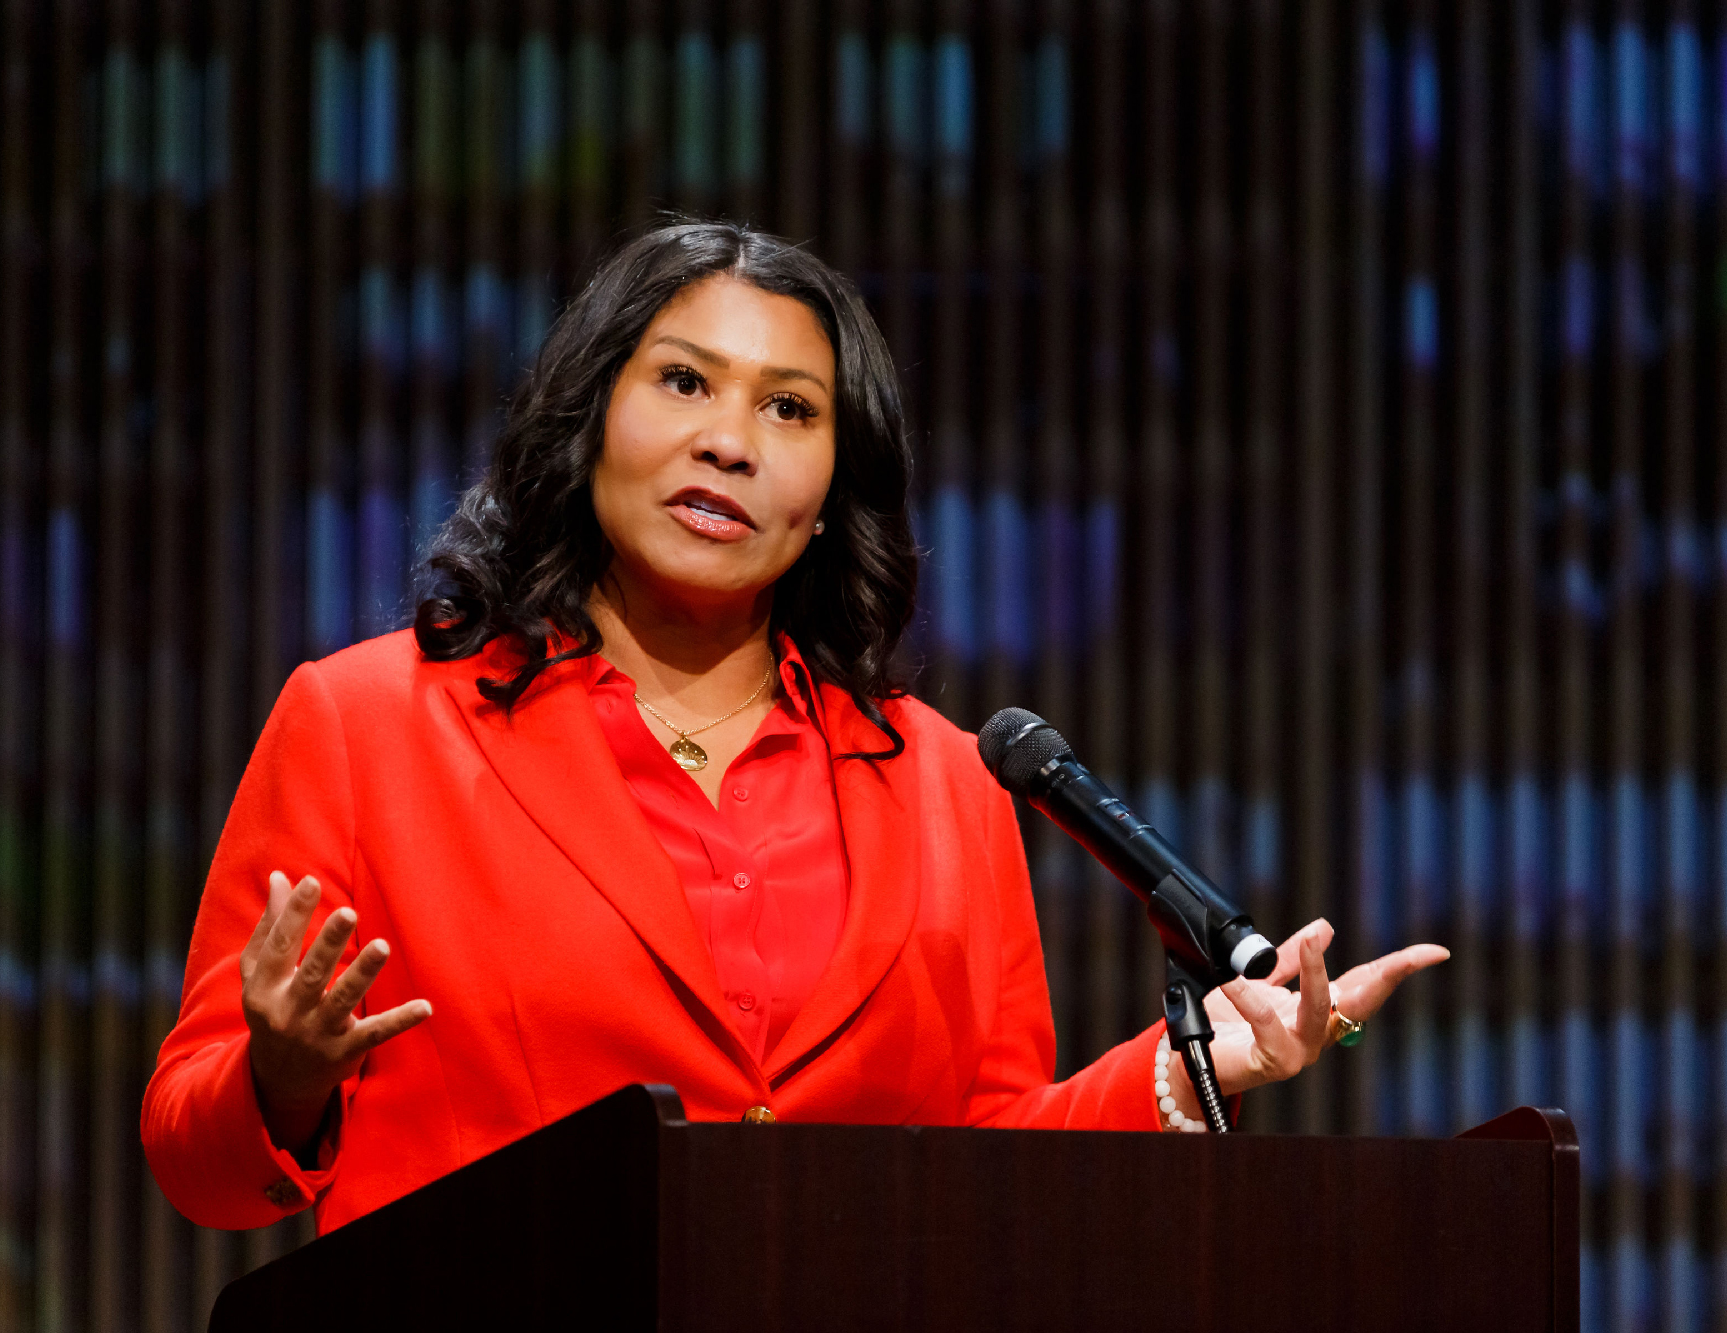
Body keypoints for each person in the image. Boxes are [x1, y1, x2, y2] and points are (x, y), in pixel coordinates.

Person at [142, 219, 1447, 1233]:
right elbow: (196, 1164)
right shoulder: (367, 725)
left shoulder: (946, 783)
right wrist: (283, 1075)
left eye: (789, 409)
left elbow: (989, 1171)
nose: (730, 441)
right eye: (684, 382)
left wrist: (1183, 1069)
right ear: (590, 420)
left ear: (828, 492)